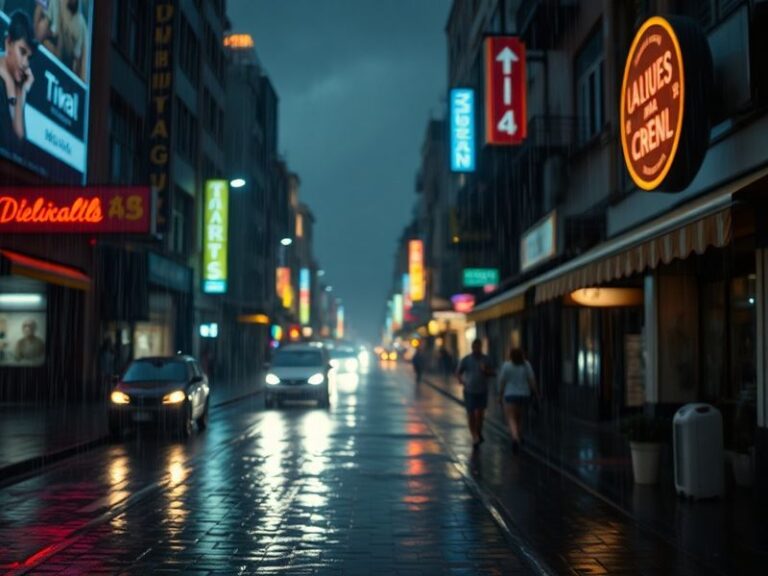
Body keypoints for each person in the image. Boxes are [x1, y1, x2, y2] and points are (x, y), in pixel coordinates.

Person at [0, 9, 37, 148]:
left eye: (29, 57)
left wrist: (22, 92)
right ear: (8, 43)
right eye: (22, 52)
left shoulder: (16, 84)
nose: (25, 63)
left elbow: (19, 140)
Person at [497, 348, 540, 453]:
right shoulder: (526, 365)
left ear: (511, 355)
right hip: (524, 395)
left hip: (510, 395)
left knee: (511, 418)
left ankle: (515, 438)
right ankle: (519, 436)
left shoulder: (506, 366)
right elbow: (532, 380)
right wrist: (536, 393)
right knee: (520, 418)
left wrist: (500, 395)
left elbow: (502, 381)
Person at [457, 339, 496, 449]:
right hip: (469, 391)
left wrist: (485, 371)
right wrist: (461, 380)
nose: (477, 349)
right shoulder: (466, 359)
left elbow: (493, 372)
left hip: (482, 390)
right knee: (471, 413)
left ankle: (478, 431)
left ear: (481, 347)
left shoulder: (486, 359)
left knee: (480, 414)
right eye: (475, 347)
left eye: (479, 347)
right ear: (472, 347)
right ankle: (474, 436)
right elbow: (458, 372)